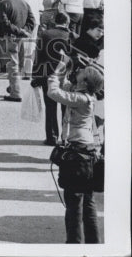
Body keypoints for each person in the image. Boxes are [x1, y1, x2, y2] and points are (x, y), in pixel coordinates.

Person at [47, 57, 104, 244]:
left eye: (81, 72)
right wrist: (67, 71)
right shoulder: (87, 96)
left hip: (77, 155)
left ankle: (73, 246)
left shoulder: (80, 99)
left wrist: (58, 69)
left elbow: (54, 91)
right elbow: (67, 87)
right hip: (87, 153)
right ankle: (93, 245)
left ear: (85, 81)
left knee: (73, 205)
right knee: (88, 204)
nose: (78, 72)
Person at [31, 11, 72, 145]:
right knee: (66, 107)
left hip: (47, 75)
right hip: (66, 76)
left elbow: (38, 57)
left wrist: (35, 76)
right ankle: (66, 137)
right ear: (67, 23)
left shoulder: (45, 34)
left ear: (55, 22)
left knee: (50, 107)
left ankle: (52, 137)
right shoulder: (72, 36)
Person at [0, 0, 34, 101]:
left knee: (13, 64)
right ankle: (14, 87)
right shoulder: (24, 3)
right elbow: (32, 20)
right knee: (19, 64)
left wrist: (19, 31)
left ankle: (16, 92)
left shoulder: (4, 4)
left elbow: (5, 24)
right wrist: (24, 31)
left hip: (11, 36)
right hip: (21, 37)